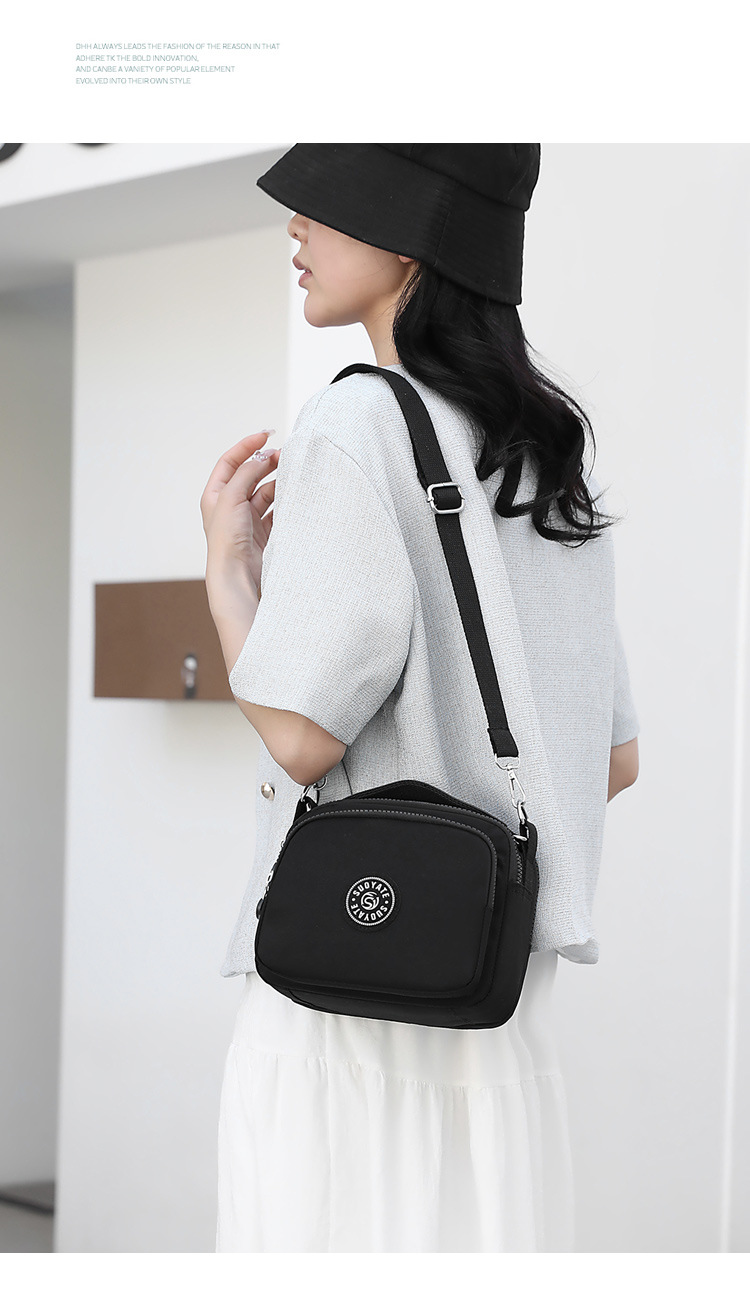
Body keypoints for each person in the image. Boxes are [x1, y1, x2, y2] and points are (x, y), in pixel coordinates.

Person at [200, 144, 640, 1253]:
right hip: (498, 1008)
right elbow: (613, 759)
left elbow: (301, 735)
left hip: (349, 1011)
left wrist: (229, 570)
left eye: (322, 204)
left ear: (409, 237)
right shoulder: (547, 455)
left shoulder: (356, 423)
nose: (295, 228)